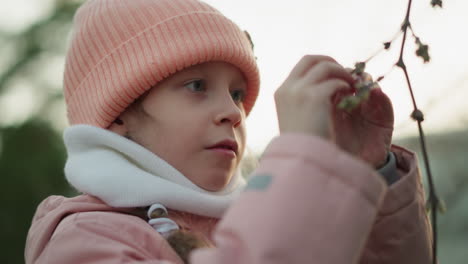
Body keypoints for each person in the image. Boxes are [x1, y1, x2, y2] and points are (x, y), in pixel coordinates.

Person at [25, 0, 433, 263]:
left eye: (238, 94)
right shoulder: (85, 242)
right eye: (197, 86)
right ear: (118, 115)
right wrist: (301, 165)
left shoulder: (258, 218)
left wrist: (368, 171)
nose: (233, 113)